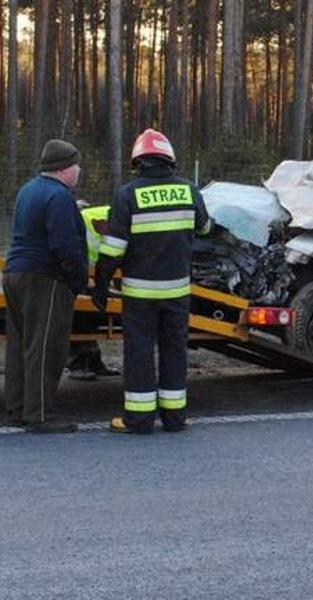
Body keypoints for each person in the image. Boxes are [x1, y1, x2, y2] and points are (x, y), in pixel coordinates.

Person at [92, 129, 211, 434]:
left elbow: (112, 250)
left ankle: (139, 420)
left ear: (137, 162)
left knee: (140, 352)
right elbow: (205, 228)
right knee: (174, 351)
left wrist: (101, 287)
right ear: (170, 160)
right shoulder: (189, 190)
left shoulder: (127, 195)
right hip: (177, 291)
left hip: (140, 294)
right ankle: (175, 419)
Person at [2, 139, 87, 433]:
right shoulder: (59, 197)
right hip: (45, 279)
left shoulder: (30, 189)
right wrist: (77, 280)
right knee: (45, 347)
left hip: (15, 273)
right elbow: (65, 245)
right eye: (77, 166)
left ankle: (16, 407)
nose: (79, 171)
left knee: (20, 345)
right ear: (65, 169)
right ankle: (39, 415)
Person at [67, 201, 121, 381]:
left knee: (88, 316)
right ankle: (78, 363)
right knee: (81, 315)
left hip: (86, 277)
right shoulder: (113, 218)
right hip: (73, 276)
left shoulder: (114, 216)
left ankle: (93, 362)